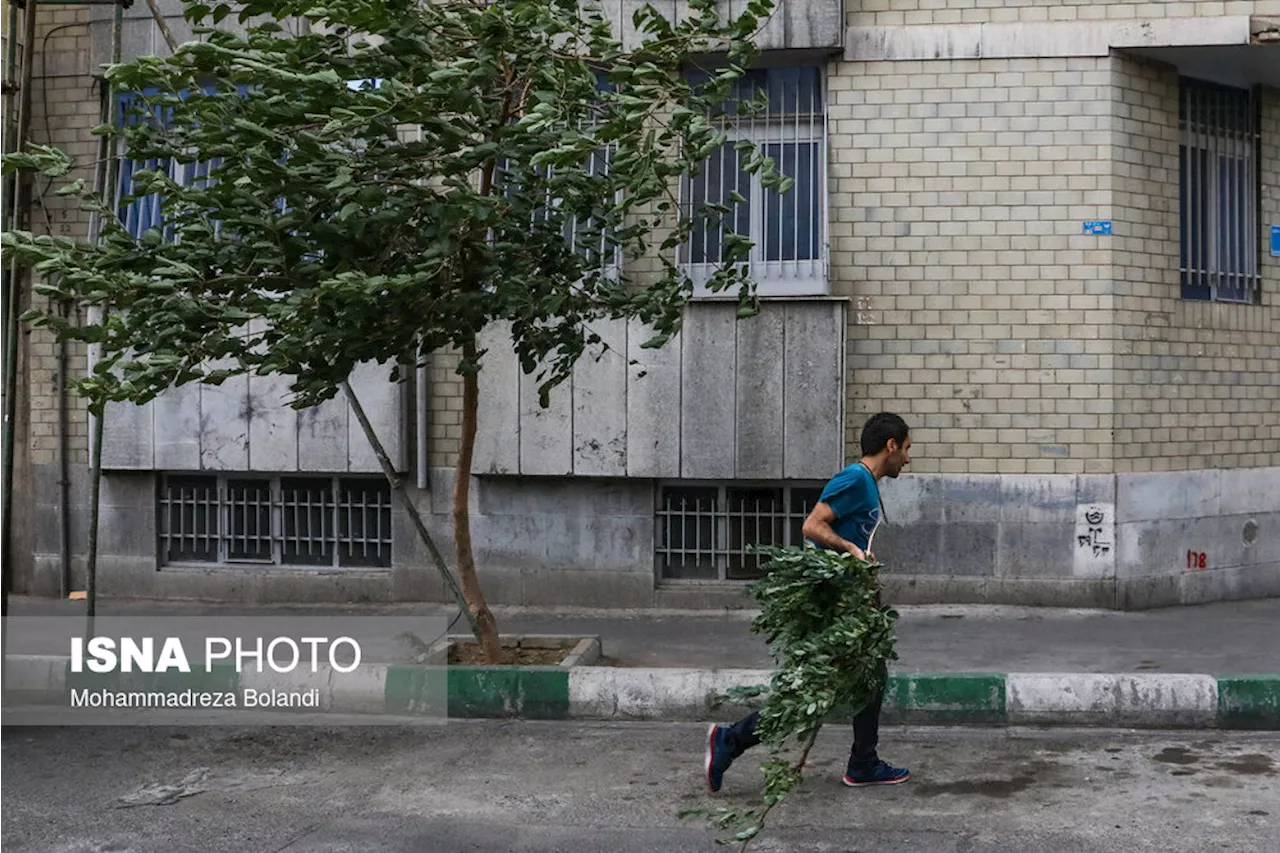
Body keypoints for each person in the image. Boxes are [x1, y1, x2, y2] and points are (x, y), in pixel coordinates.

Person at [704, 412, 913, 792]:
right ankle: (729, 739)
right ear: (891, 445)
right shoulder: (855, 479)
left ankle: (863, 762)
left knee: (871, 676)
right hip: (838, 605)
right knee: (813, 691)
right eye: (907, 450)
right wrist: (849, 548)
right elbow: (813, 525)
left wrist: (862, 565)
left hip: (853, 601)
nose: (908, 461)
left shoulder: (866, 483)